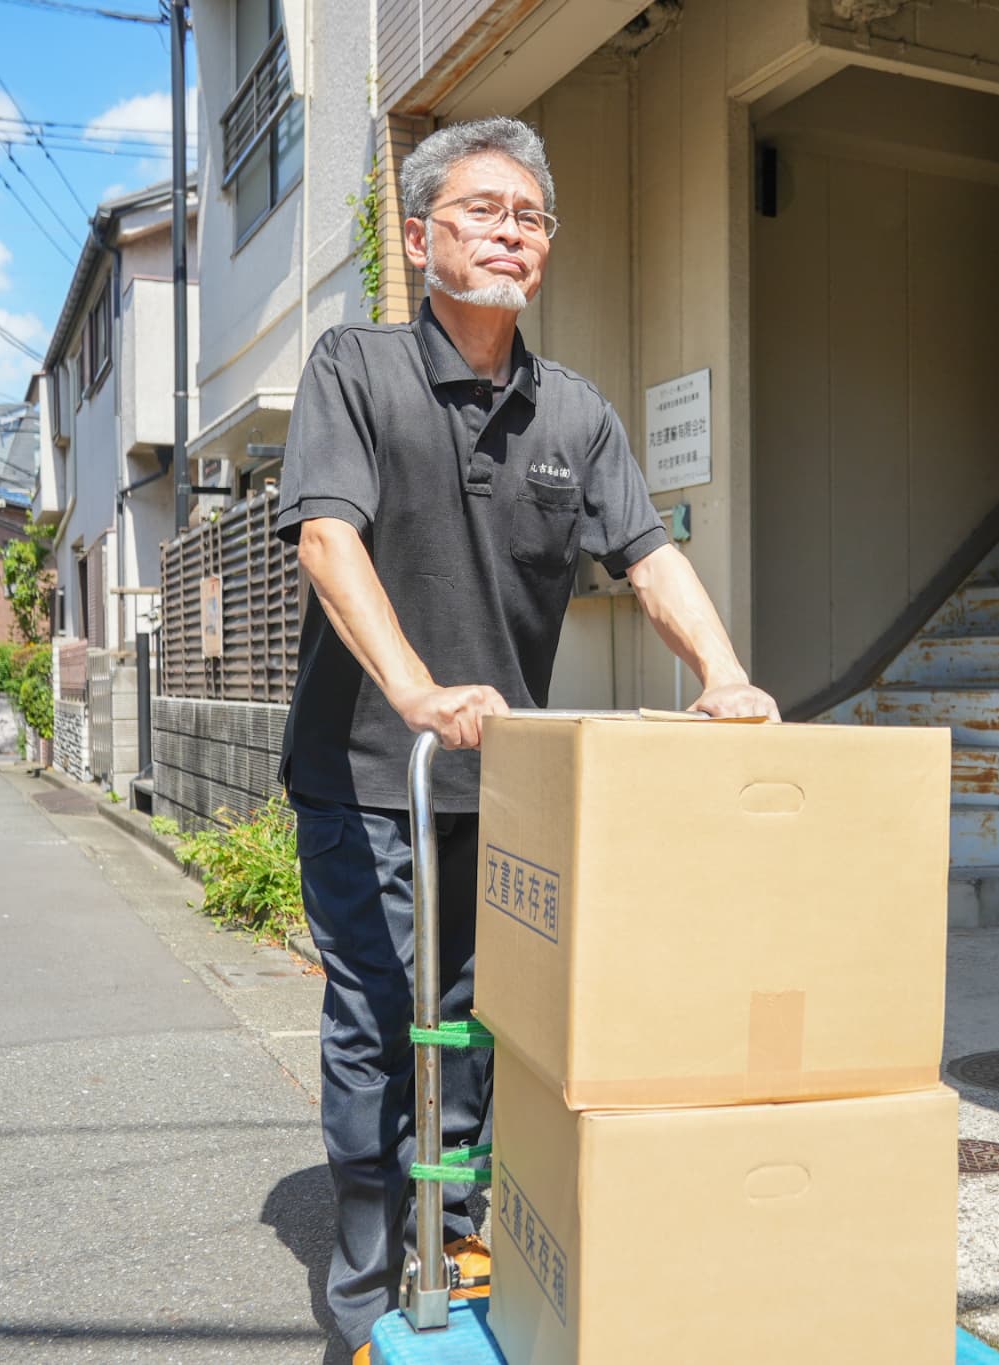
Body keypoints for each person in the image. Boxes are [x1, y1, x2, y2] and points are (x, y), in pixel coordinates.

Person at [273, 115, 779, 1362]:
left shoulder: (575, 415)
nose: (509, 234)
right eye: (482, 210)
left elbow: (650, 556)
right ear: (419, 234)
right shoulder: (357, 368)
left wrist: (724, 675)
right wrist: (414, 690)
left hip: (497, 787)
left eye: (529, 217)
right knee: (378, 1017)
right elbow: (327, 539)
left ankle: (455, 1241)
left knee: (482, 1020)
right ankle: (359, 1295)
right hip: (371, 775)